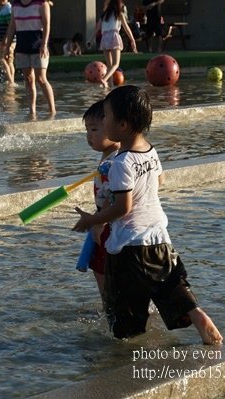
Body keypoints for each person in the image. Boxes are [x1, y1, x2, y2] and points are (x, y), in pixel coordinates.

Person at [72, 85, 223, 344]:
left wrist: (92, 220)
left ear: (122, 125)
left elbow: (122, 208)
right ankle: (196, 314)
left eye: (106, 117)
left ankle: (126, 362)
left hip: (129, 245)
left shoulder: (121, 163)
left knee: (125, 316)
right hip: (159, 236)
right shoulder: (150, 152)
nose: (103, 120)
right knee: (170, 284)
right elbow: (159, 180)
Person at [81, 100, 120, 309]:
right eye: (87, 130)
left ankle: (110, 307)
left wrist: (99, 222)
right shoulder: (109, 157)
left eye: (94, 129)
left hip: (108, 224)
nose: (89, 136)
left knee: (102, 268)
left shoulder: (113, 161)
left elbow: (112, 195)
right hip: (107, 220)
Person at [5, 0, 56, 119]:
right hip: (22, 46)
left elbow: (47, 24)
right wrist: (7, 46)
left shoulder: (42, 3)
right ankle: (32, 110)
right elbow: (12, 26)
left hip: (38, 46)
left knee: (41, 79)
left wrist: (44, 44)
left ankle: (52, 110)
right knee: (28, 79)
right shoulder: (15, 5)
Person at [97, 0, 137, 88]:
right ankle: (104, 79)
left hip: (104, 38)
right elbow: (126, 28)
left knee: (109, 64)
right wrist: (132, 40)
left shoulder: (104, 15)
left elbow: (97, 27)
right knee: (116, 64)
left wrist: (90, 39)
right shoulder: (119, 14)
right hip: (113, 36)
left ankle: (110, 85)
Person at [0, 0, 16, 84]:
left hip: (7, 40)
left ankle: (11, 81)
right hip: (2, 39)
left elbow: (10, 26)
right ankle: (11, 80)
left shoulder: (8, 9)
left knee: (3, 59)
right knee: (8, 61)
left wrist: (6, 39)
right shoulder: (2, 8)